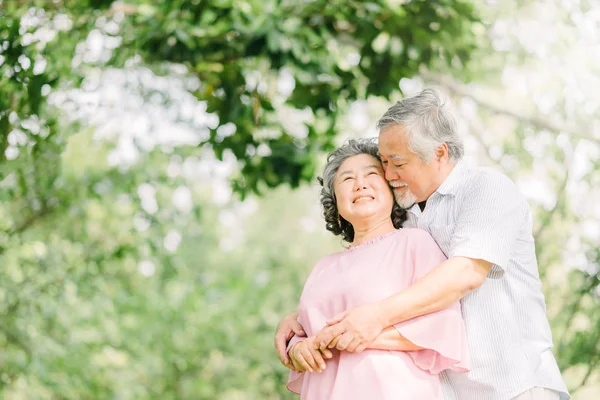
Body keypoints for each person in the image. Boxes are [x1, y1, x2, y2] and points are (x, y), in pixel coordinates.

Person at [275, 89, 570, 400]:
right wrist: (298, 321)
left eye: (396, 163)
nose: (388, 174)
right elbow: (365, 274)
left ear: (439, 153)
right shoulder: (411, 217)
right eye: (385, 162)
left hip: (516, 386)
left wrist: (375, 317)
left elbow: (465, 273)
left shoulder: (486, 190)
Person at [284, 139, 469, 399]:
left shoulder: (414, 243)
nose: (360, 184)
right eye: (347, 179)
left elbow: (446, 328)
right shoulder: (323, 267)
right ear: (335, 202)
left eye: (371, 174)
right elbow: (304, 328)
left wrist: (358, 336)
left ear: (392, 189)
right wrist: (297, 348)